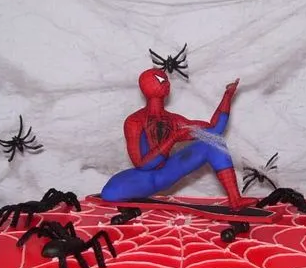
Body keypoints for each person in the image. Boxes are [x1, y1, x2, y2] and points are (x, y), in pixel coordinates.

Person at [100, 67, 256, 210]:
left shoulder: (174, 120)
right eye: (161, 80)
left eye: (167, 80)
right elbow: (141, 164)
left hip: (167, 172)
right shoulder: (134, 121)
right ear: (147, 86)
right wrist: (172, 138)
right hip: (146, 179)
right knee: (110, 193)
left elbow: (214, 130)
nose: (167, 83)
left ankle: (235, 200)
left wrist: (227, 97)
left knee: (214, 142)